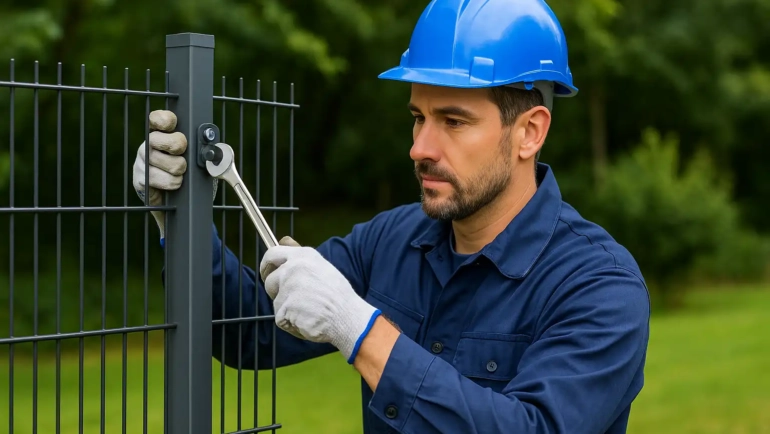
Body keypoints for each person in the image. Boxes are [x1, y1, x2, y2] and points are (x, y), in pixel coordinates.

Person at [132, 0, 651, 432]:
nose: (420, 147)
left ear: (530, 132)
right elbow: (247, 331)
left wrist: (362, 332)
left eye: (453, 121)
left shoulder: (599, 286)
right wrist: (177, 221)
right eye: (418, 118)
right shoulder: (391, 241)